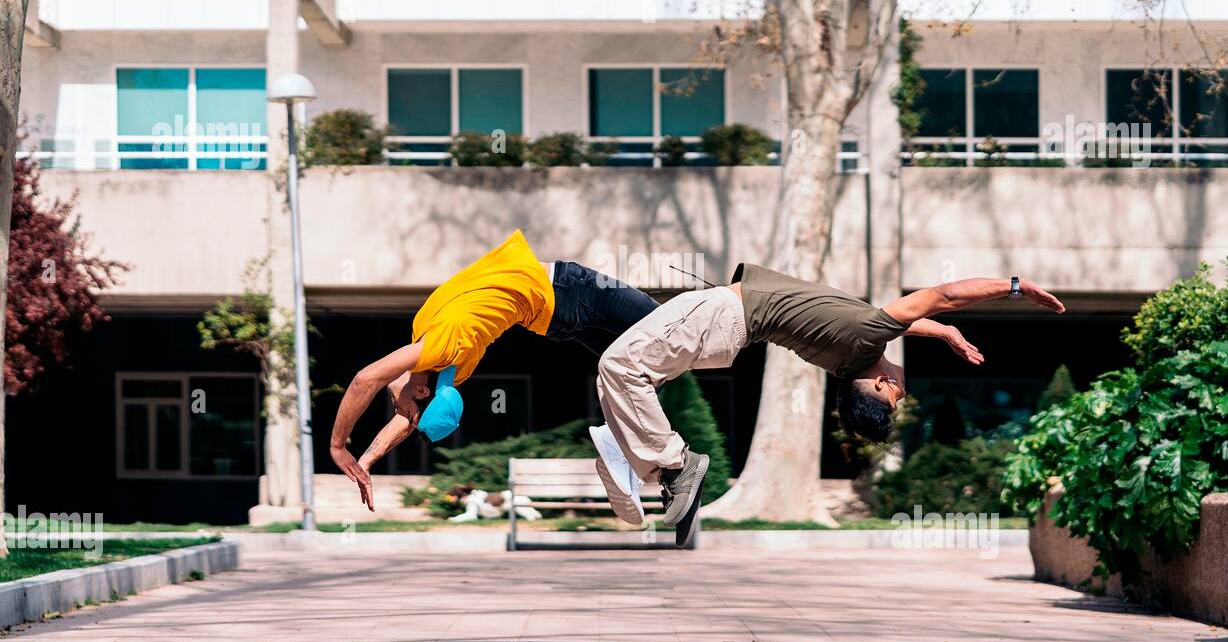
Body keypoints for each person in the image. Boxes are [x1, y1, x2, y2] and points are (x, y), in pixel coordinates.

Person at [595, 265, 1066, 546]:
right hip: (724, 334)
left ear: (880, 383)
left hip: (721, 315)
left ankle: (671, 466)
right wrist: (941, 331)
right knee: (627, 366)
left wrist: (1016, 286)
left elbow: (942, 296)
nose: (904, 385)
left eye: (897, 394)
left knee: (620, 366)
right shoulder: (851, 352)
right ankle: (628, 458)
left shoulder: (864, 340)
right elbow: (914, 319)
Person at [328, 230, 659, 511]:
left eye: (405, 412)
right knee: (664, 328)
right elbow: (367, 381)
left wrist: (358, 456)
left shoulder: (435, 348)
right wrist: (344, 450)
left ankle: (618, 444)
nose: (399, 412)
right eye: (406, 411)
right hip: (569, 291)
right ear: (422, 391)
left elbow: (377, 386)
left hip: (556, 316)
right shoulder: (443, 351)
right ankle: (618, 446)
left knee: (637, 365)